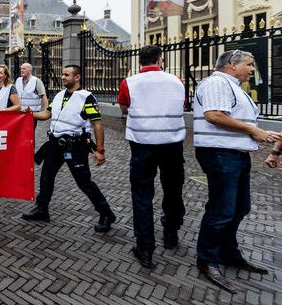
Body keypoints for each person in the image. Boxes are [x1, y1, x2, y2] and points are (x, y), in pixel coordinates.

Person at [193, 49, 281, 293]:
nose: (253, 70)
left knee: (240, 207)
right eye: (250, 65)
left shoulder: (230, 85)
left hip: (235, 154)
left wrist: (264, 136)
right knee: (222, 210)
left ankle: (227, 253)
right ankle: (207, 260)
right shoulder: (217, 83)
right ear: (232, 64)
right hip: (220, 155)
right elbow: (214, 115)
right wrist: (254, 132)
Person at [21, 65, 116, 233]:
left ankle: (106, 214)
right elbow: (46, 114)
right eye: (62, 74)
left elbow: (97, 124)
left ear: (77, 77)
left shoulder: (86, 98)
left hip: (76, 146)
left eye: (66, 75)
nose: (63, 77)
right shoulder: (58, 96)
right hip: (55, 144)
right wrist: (28, 113)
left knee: (84, 183)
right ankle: (42, 209)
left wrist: (100, 150)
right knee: (46, 176)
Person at [118, 45, 186, 268]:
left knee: (142, 195)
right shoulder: (177, 81)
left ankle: (145, 247)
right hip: (172, 143)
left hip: (142, 144)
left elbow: (124, 108)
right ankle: (170, 232)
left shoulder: (129, 82)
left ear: (140, 61)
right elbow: (182, 104)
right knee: (173, 190)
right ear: (161, 59)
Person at [14, 62, 48, 127]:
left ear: (30, 71)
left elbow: (43, 96)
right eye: (21, 69)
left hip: (32, 113)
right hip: (19, 113)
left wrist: (46, 111)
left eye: (24, 69)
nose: (21, 70)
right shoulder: (18, 80)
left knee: (30, 133)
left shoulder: (37, 81)